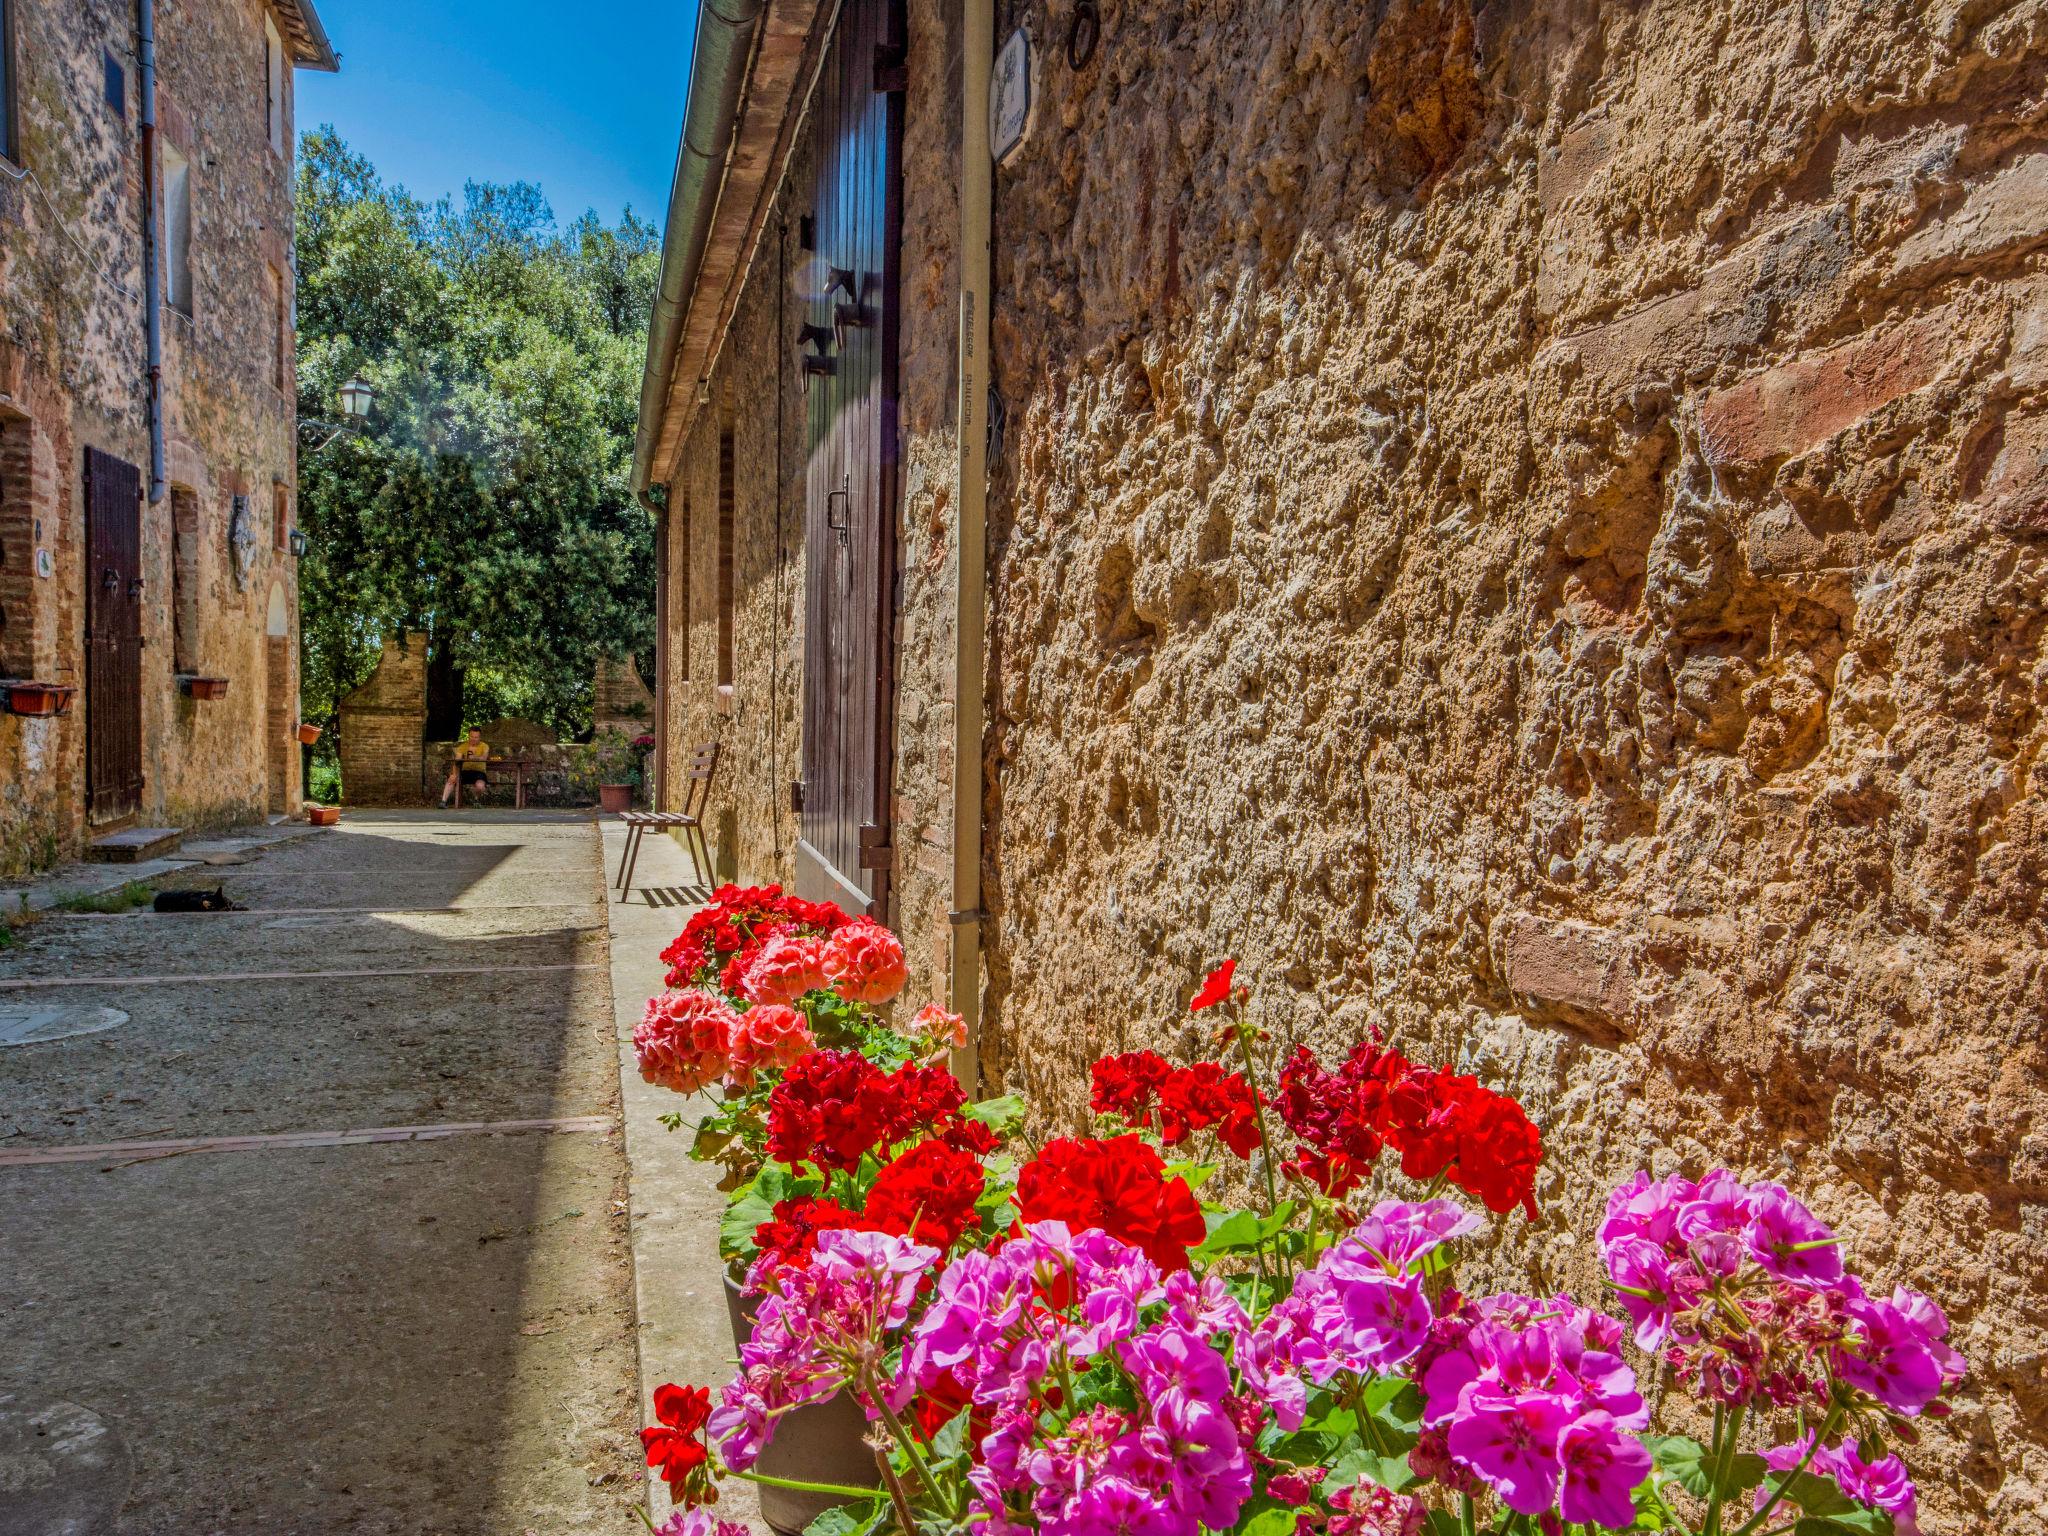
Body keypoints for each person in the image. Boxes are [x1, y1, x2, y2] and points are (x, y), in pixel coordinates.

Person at [442, 727, 491, 807]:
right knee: (452, 779)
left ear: (479, 737)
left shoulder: (484, 746)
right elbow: (457, 761)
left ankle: (476, 800)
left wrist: (474, 757)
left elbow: (484, 758)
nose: (474, 739)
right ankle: (443, 801)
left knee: (480, 786)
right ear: (469, 736)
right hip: (465, 771)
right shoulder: (463, 746)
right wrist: (454, 774)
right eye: (472, 737)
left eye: (476, 737)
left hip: (479, 772)